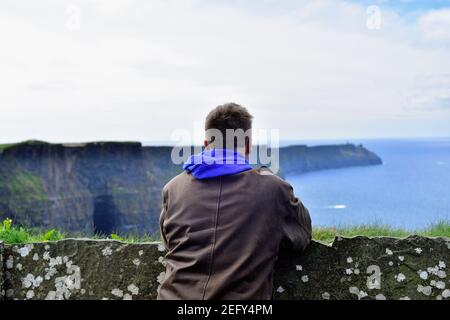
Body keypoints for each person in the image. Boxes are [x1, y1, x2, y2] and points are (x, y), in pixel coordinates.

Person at [157, 103, 312, 300]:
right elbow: (302, 236)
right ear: (247, 145)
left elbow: (169, 241)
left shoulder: (174, 188)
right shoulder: (273, 189)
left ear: (206, 145)